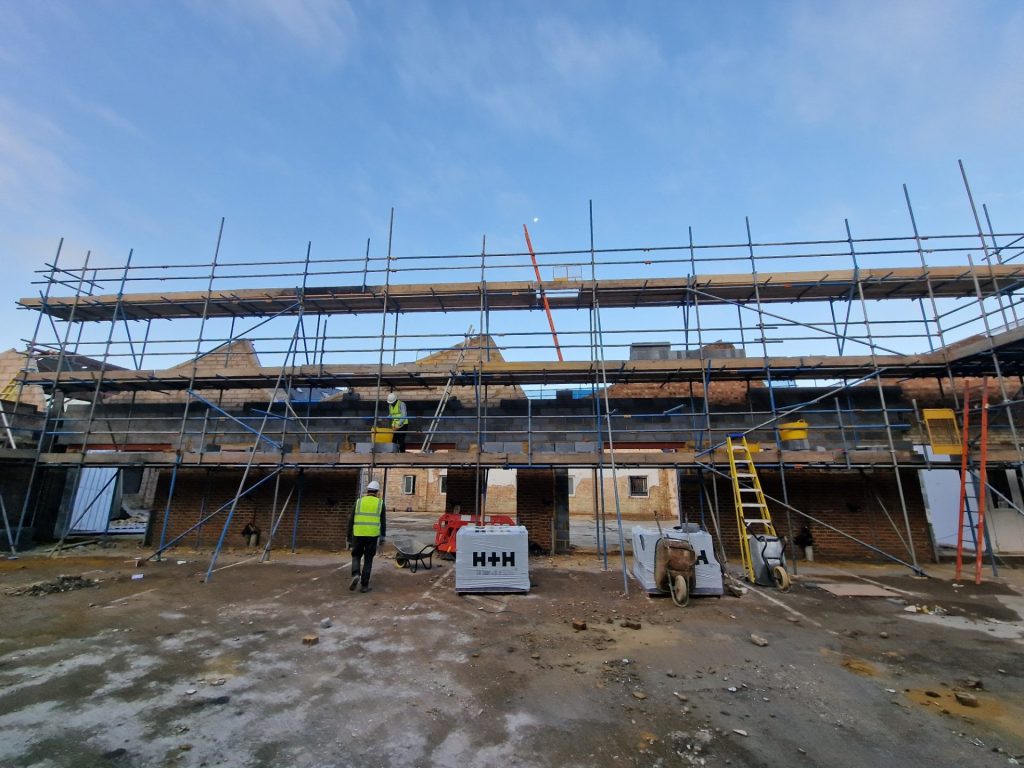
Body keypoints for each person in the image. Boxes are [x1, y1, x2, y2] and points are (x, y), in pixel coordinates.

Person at [348, 480, 387, 593]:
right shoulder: (380, 503)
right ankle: (364, 586)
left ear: (367, 490)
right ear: (377, 492)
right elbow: (383, 522)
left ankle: (356, 574)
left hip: (358, 534)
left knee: (356, 555)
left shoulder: (359, 502)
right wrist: (382, 537)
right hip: (372, 535)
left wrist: (348, 537)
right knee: (368, 560)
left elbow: (351, 520)